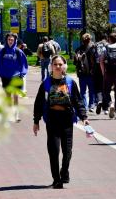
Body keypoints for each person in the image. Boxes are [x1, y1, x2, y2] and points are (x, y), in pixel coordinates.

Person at [33, 55, 89, 189]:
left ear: (64, 66)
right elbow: (39, 103)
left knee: (67, 151)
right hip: (52, 121)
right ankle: (56, 179)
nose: (58, 67)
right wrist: (36, 121)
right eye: (55, 64)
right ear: (51, 66)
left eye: (60, 64)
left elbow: (77, 101)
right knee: (54, 151)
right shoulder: (46, 83)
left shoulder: (70, 82)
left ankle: (64, 171)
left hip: (67, 121)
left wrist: (84, 117)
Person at [0, 33, 29, 122]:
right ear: (6, 40)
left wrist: (22, 73)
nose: (10, 41)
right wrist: (0, 73)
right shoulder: (2, 51)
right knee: (8, 96)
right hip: (6, 76)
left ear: (15, 41)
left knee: (16, 96)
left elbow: (24, 64)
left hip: (16, 76)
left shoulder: (18, 51)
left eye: (12, 40)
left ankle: (16, 115)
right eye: (9, 39)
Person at [74, 33, 97, 113]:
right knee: (91, 90)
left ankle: (84, 106)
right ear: (89, 40)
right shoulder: (93, 49)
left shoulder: (78, 50)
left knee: (83, 91)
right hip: (91, 73)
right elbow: (96, 61)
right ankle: (91, 105)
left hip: (81, 73)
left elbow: (75, 62)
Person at [93, 34, 108, 114]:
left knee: (98, 87)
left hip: (97, 68)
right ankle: (105, 108)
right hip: (106, 67)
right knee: (105, 87)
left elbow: (92, 56)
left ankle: (99, 101)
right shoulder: (108, 45)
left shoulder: (96, 45)